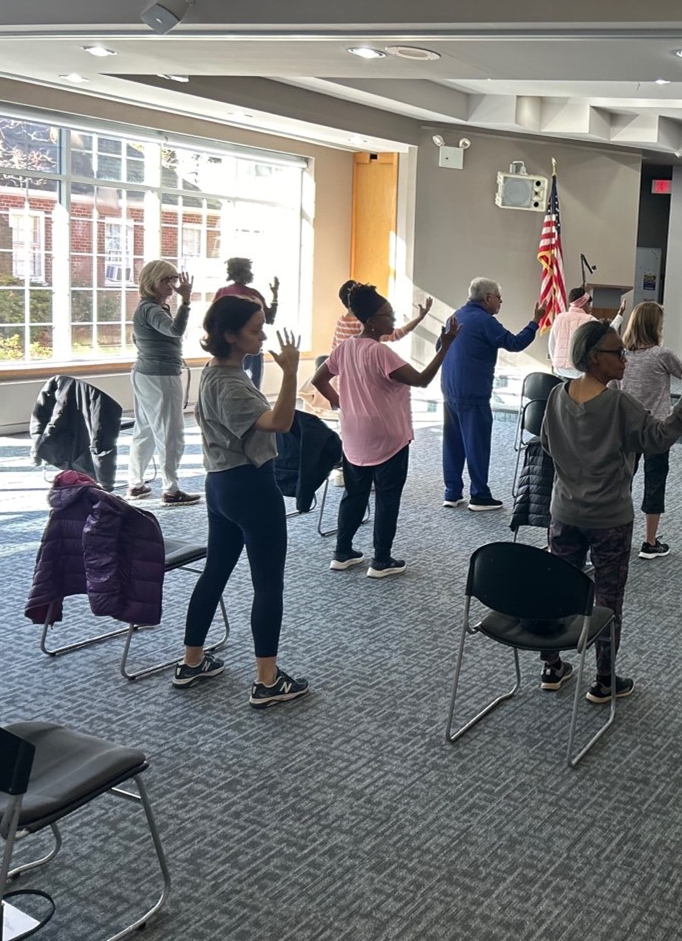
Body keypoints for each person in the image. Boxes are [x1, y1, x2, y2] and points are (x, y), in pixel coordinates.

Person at [537, 320, 682, 701]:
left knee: (560, 587)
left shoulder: (557, 396)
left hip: (563, 512)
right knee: (608, 599)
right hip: (609, 518)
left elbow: (547, 444)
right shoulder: (620, 405)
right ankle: (605, 680)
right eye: (616, 352)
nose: (624, 358)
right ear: (595, 358)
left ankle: (551, 665)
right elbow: (660, 439)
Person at [172, 296, 308, 707]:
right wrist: (290, 374)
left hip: (221, 486)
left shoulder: (215, 371)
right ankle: (267, 681)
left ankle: (192, 660)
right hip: (250, 489)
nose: (263, 334)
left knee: (215, 570)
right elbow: (280, 422)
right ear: (230, 335)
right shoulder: (231, 384)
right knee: (268, 584)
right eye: (254, 328)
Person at [312, 285, 458, 578]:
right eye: (388, 316)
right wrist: (445, 347)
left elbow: (319, 379)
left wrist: (339, 401)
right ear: (371, 321)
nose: (392, 321)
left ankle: (342, 553)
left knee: (354, 494)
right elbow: (421, 380)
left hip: (354, 435)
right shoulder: (381, 353)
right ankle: (381, 560)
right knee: (388, 497)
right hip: (387, 438)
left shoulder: (346, 347)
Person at [441, 277, 546, 511]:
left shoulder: (454, 316)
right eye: (498, 297)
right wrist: (535, 321)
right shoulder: (485, 321)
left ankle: (452, 492)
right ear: (487, 298)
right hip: (473, 393)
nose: (501, 302)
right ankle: (479, 496)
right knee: (477, 444)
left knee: (453, 443)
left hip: (450, 390)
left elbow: (441, 348)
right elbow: (515, 343)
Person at [613, 302, 682, 559]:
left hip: (626, 429)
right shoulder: (660, 354)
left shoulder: (621, 356)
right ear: (655, 326)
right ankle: (650, 542)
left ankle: (617, 536)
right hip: (657, 431)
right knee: (655, 483)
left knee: (622, 483)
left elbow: (613, 389)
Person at [126, 259, 199, 505]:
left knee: (145, 430)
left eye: (173, 279)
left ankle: (135, 484)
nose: (171, 284)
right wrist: (186, 302)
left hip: (146, 373)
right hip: (159, 376)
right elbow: (175, 331)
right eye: (165, 280)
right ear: (150, 282)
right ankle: (171, 489)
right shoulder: (152, 309)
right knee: (171, 432)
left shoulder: (149, 307)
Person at [214, 257, 278, 388]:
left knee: (225, 384)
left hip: (225, 347)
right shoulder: (253, 294)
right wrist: (275, 296)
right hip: (249, 346)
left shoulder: (222, 293)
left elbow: (213, 322)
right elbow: (270, 319)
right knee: (253, 387)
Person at [331, 278, 432, 349]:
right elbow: (395, 335)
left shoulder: (340, 322)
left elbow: (334, 350)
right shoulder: (363, 325)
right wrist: (420, 317)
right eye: (388, 315)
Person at [549, 287, 625, 379]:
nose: (591, 307)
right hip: (578, 371)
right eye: (589, 304)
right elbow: (607, 333)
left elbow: (551, 344)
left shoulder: (559, 318)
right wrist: (620, 315)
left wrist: (555, 362)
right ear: (583, 304)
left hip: (559, 370)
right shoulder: (589, 319)